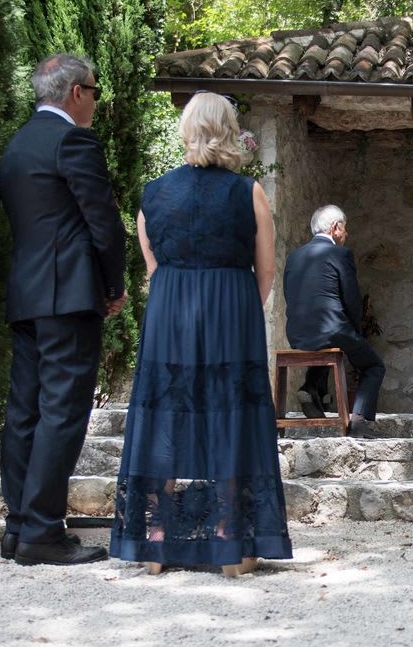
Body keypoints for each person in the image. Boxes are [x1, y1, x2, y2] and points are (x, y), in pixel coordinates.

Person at [109, 92, 290, 577]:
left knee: (167, 415)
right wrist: (240, 306)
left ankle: (157, 540)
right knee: (230, 414)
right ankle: (232, 541)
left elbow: (153, 266)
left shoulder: (153, 193)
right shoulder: (247, 191)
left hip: (171, 311)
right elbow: (267, 272)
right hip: (232, 310)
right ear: (229, 130)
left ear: (187, 130)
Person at [0, 53, 126, 566]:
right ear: (75, 93)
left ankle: (18, 526)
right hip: (68, 296)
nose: (95, 101)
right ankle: (43, 533)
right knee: (62, 414)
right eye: (94, 91)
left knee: (24, 413)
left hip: (26, 296)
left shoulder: (16, 145)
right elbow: (103, 222)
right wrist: (113, 286)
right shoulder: (72, 139)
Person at [284, 205, 383, 434]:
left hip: (297, 332)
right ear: (335, 228)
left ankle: (309, 388)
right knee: (374, 365)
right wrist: (356, 331)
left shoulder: (294, 256)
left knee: (330, 345)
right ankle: (358, 421)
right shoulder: (340, 254)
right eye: (345, 229)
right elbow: (352, 298)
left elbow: (291, 295)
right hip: (331, 328)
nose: (346, 235)